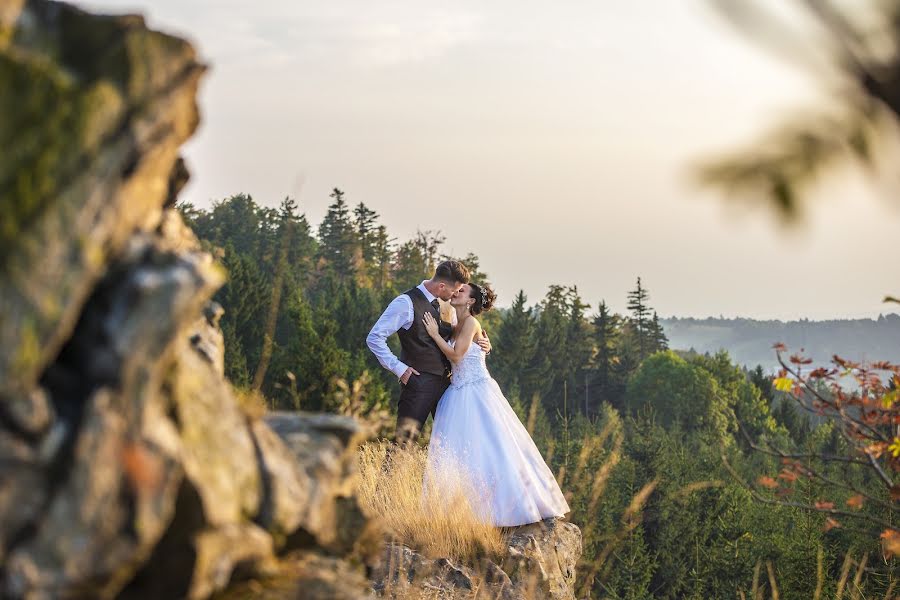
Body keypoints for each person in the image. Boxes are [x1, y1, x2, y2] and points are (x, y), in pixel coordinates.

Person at [422, 282, 569, 526]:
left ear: (470, 301)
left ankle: (506, 509)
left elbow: (458, 355)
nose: (456, 292)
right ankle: (463, 512)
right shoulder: (456, 324)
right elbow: (468, 352)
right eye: (456, 289)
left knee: (492, 447)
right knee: (462, 451)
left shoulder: (470, 323)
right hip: (457, 392)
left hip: (476, 391)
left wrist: (434, 335)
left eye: (462, 291)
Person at [366, 260, 491, 445]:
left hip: (450, 387)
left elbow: (462, 337)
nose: (456, 293)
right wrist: (399, 368)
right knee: (404, 443)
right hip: (419, 383)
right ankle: (390, 475)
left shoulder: (450, 305)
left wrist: (484, 346)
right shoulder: (405, 303)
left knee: (452, 444)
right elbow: (374, 337)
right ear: (442, 286)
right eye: (454, 290)